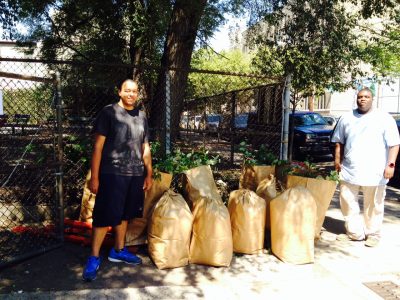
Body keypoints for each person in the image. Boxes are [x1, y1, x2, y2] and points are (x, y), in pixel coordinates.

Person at [82, 79, 153, 281]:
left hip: (135, 174)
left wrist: (148, 173)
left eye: (134, 91)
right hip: (112, 173)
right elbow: (97, 147)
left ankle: (118, 250)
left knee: (125, 215)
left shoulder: (141, 117)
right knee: (105, 216)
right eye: (127, 91)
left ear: (138, 94)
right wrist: (94, 177)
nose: (131, 94)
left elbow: (145, 147)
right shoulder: (108, 113)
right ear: (120, 92)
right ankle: (94, 257)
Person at [331, 87, 399, 247]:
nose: (363, 99)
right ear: (356, 99)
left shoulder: (384, 118)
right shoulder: (346, 118)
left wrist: (391, 165)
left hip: (375, 172)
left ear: (372, 99)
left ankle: (373, 233)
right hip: (349, 170)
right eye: (360, 96)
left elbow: (394, 144)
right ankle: (354, 233)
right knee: (347, 202)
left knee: (373, 204)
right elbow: (338, 142)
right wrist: (337, 160)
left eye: (366, 96)